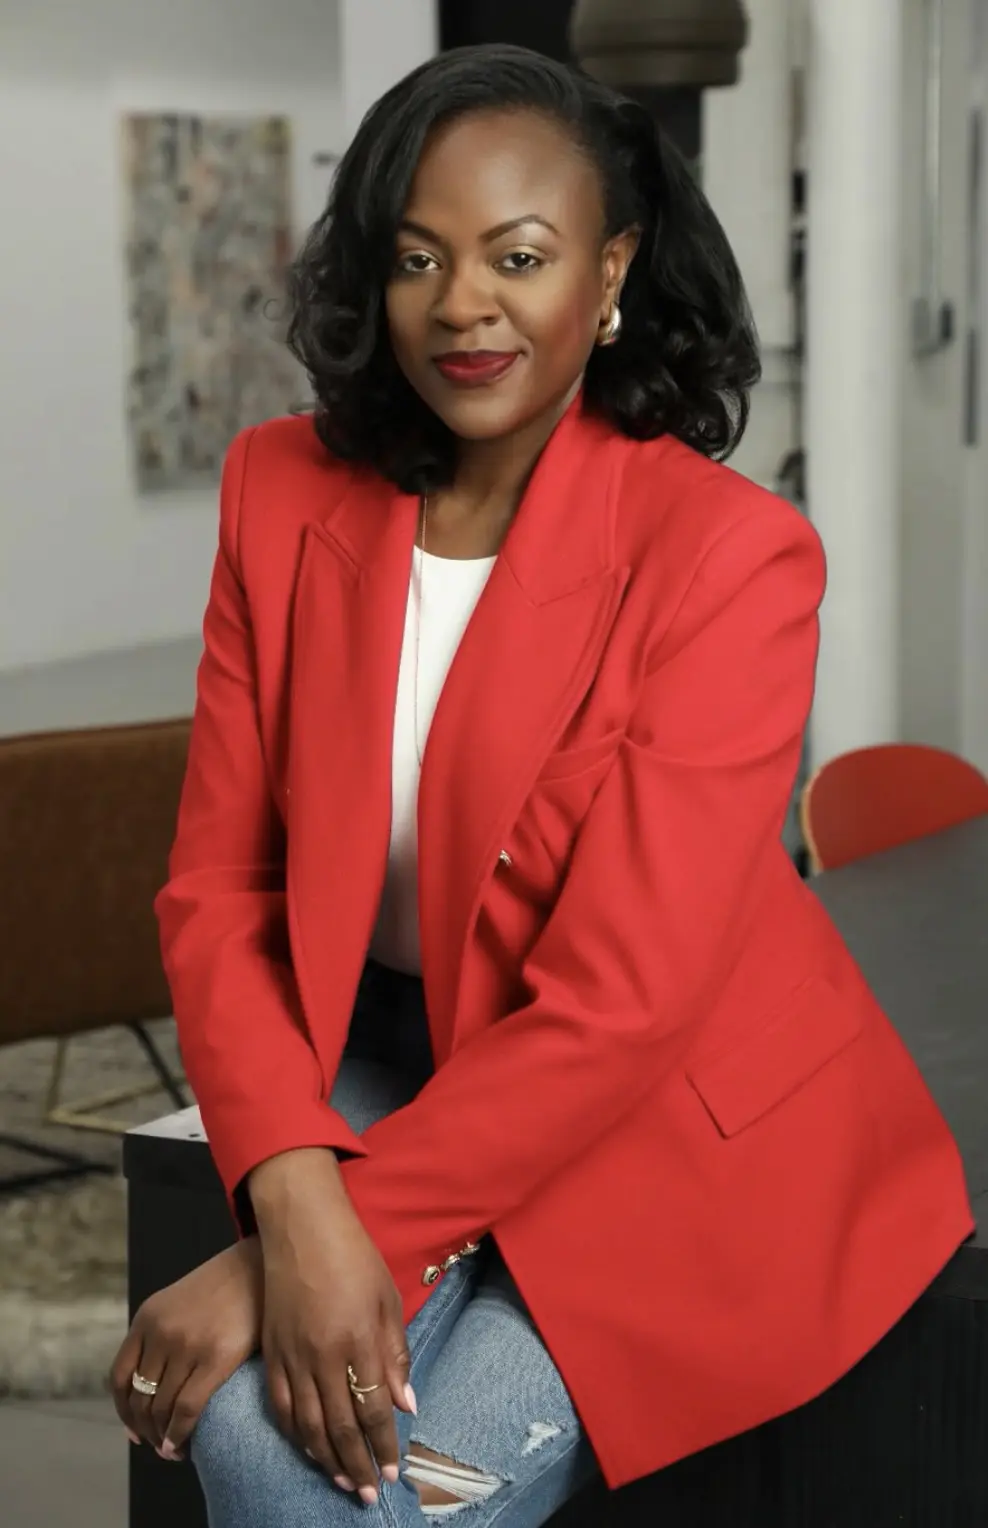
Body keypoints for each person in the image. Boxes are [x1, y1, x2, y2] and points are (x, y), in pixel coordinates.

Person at [110, 42, 973, 1528]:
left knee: (344, 1483)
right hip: (382, 1052)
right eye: (418, 258)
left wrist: (295, 1248)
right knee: (258, 1449)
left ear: (612, 267)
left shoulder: (728, 555)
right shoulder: (277, 491)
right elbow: (221, 889)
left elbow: (621, 1000)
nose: (464, 305)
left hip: (659, 1122)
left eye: (519, 256)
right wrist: (292, 1178)